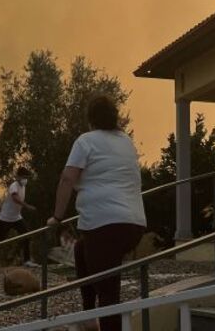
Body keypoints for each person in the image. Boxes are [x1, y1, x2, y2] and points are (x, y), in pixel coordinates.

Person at [47, 95, 146, 331]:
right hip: (133, 224)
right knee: (82, 249)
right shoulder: (126, 141)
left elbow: (67, 178)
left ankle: (101, 322)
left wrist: (57, 217)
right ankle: (89, 314)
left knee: (109, 294)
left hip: (105, 226)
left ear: (91, 119)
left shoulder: (86, 141)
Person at [0, 166, 36, 266]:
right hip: (6, 218)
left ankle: (27, 260)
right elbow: (15, 198)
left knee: (26, 235)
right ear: (19, 177)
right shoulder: (14, 186)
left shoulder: (23, 186)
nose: (26, 180)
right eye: (24, 177)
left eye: (27, 177)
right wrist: (27, 206)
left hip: (16, 217)